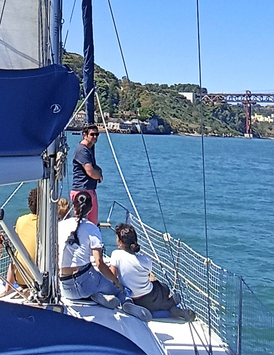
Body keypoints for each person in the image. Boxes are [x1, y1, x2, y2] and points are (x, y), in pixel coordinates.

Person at [58, 192, 151, 321]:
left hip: (65, 288)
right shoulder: (91, 228)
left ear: (74, 208)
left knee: (90, 280)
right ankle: (125, 302)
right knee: (120, 290)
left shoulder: (60, 226)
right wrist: (116, 282)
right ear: (90, 209)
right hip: (85, 283)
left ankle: (95, 296)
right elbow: (100, 263)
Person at [109, 223, 195, 320]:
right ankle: (172, 305)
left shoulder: (116, 254)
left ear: (120, 242)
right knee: (164, 288)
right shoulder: (146, 260)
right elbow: (147, 275)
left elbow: (112, 276)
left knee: (158, 290)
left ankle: (169, 306)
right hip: (150, 297)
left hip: (132, 299)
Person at [70, 124, 102, 224]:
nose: (95, 137)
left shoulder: (88, 149)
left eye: (97, 134)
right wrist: (99, 176)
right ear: (84, 135)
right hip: (83, 191)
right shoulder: (82, 150)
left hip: (87, 189)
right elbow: (90, 172)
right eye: (92, 134)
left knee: (90, 223)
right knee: (84, 223)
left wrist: (99, 170)